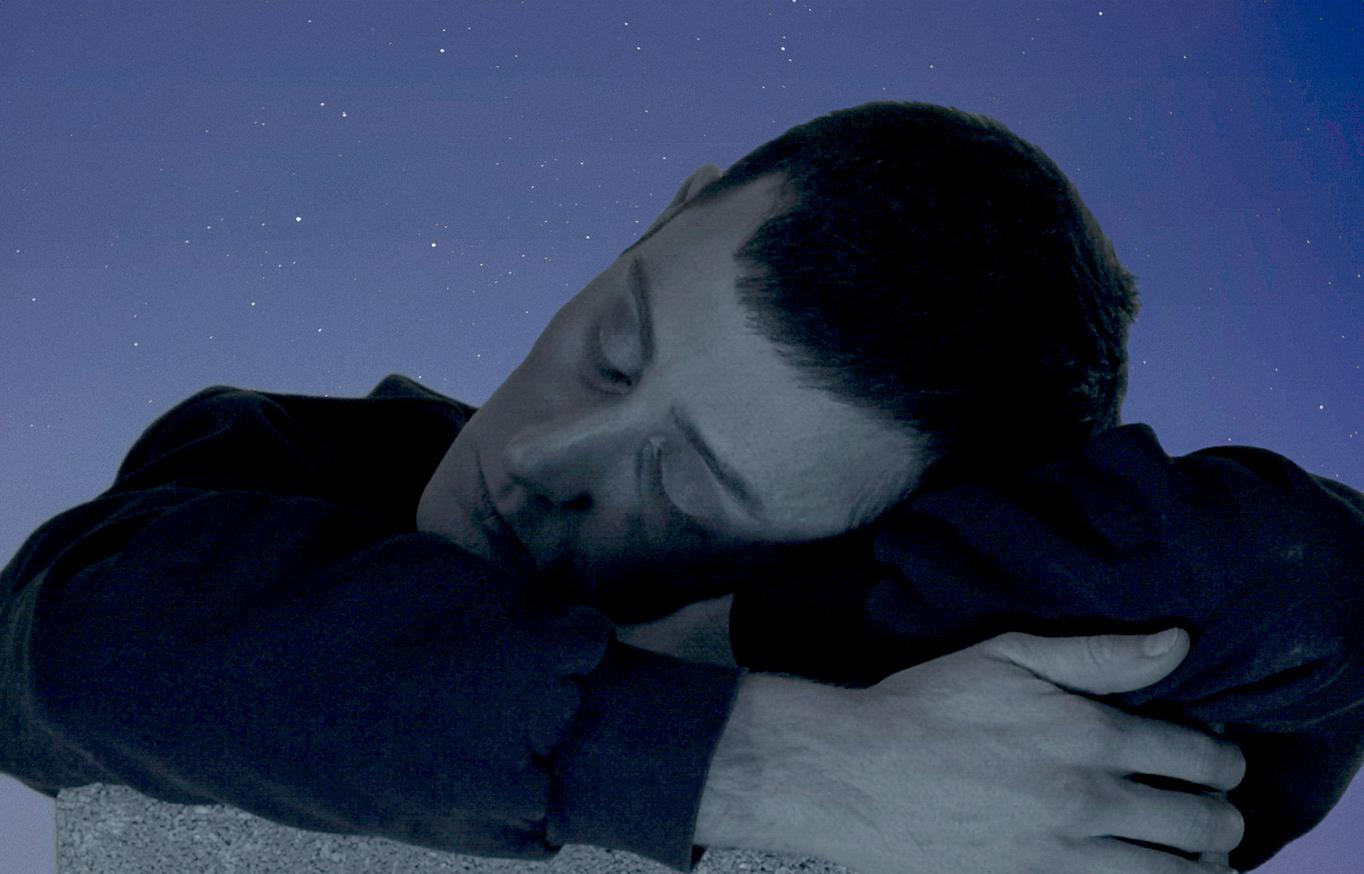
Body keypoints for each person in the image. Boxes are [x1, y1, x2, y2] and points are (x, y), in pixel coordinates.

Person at [2, 101, 1305, 874]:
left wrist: (752, 625)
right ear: (667, 215)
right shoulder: (289, 466)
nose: (541, 458)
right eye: (613, 348)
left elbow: (1314, 582)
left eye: (685, 487)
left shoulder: (934, 628)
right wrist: (781, 759)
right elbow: (72, 647)